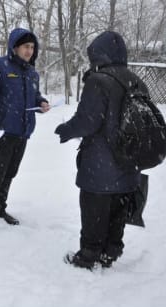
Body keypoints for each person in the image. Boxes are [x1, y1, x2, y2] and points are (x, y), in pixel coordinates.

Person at [55, 31, 148, 269]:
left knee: (94, 209)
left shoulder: (99, 81)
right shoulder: (136, 81)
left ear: (99, 54)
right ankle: (111, 251)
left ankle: (88, 256)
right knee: (118, 208)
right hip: (129, 160)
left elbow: (88, 121)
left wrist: (66, 130)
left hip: (101, 162)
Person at [0, 28, 50, 238]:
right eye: (26, 46)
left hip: (22, 132)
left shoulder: (31, 72)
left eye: (32, 47)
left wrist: (41, 102)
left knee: (10, 174)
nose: (29, 51)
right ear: (15, 47)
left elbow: (34, 96)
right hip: (1, 133)